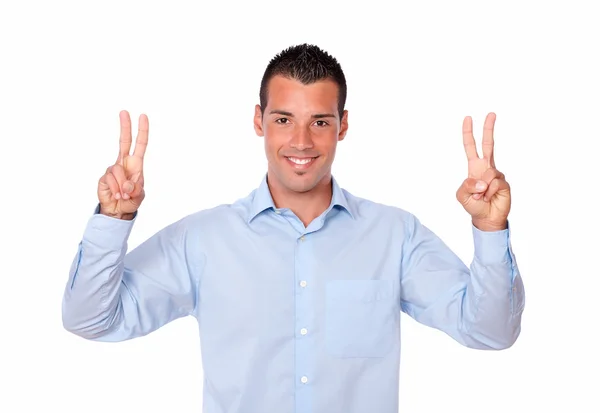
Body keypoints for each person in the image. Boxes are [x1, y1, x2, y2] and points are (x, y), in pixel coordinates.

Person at [62, 43, 525, 413]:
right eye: (284, 119)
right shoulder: (202, 240)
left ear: (342, 127)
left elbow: (489, 332)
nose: (301, 142)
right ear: (259, 121)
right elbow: (91, 320)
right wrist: (114, 220)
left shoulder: (395, 236)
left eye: (319, 122)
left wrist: (489, 229)